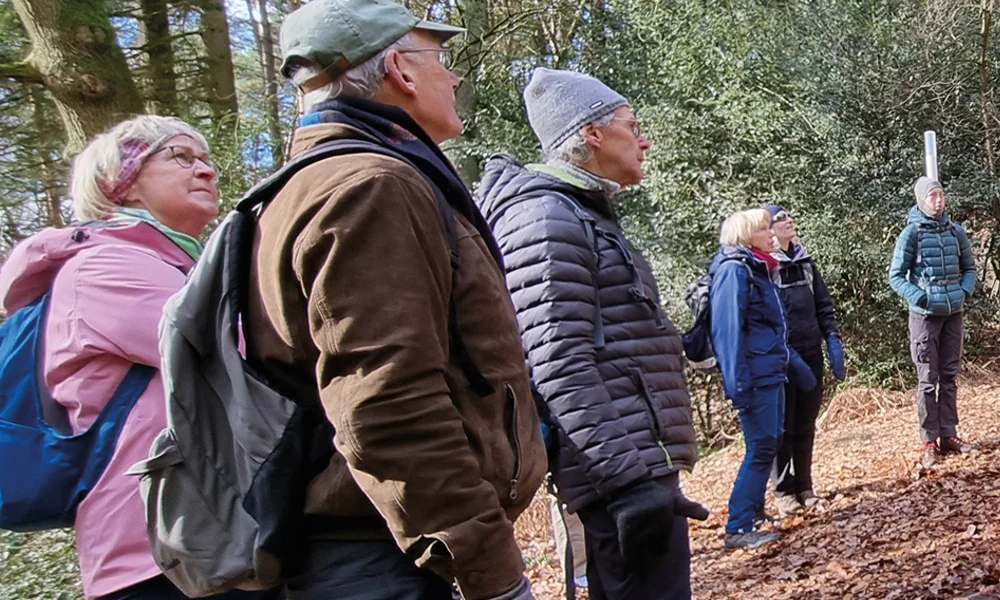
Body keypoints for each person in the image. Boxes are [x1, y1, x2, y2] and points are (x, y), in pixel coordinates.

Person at [249, 0, 546, 597]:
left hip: (387, 547)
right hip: (392, 559)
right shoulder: (371, 187)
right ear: (400, 71)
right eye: (439, 59)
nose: (453, 77)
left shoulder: (319, 182)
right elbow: (388, 402)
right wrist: (488, 571)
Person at [0, 118, 269, 600]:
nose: (206, 170)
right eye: (180, 157)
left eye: (205, 159)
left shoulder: (172, 265)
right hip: (160, 553)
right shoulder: (105, 267)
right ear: (118, 184)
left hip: (201, 537)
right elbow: (231, 351)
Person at [474, 67, 704, 600]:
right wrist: (628, 482)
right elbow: (555, 361)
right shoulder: (546, 217)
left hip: (636, 464)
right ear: (591, 133)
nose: (643, 140)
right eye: (632, 126)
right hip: (620, 476)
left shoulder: (579, 212)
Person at [708, 208, 811, 549]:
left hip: (770, 371)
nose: (771, 234)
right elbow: (728, 333)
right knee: (761, 445)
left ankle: (752, 514)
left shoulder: (757, 268)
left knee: (771, 441)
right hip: (755, 376)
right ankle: (738, 526)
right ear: (746, 236)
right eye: (764, 229)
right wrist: (737, 385)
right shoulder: (734, 271)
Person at [886, 177, 979, 470]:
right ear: (921, 200)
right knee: (928, 380)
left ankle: (949, 435)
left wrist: (964, 291)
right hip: (924, 317)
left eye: (941, 195)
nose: (938, 201)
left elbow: (970, 268)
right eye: (932, 196)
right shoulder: (910, 233)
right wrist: (919, 297)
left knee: (949, 376)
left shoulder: (955, 231)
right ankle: (929, 442)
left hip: (954, 314)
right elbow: (896, 275)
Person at [763, 204, 844, 514]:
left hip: (811, 355)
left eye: (789, 216)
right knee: (783, 426)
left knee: (805, 424)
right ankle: (784, 491)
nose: (788, 220)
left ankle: (806, 486)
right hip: (782, 360)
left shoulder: (806, 263)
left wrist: (832, 338)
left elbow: (823, 304)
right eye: (780, 218)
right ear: (769, 229)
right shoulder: (765, 267)